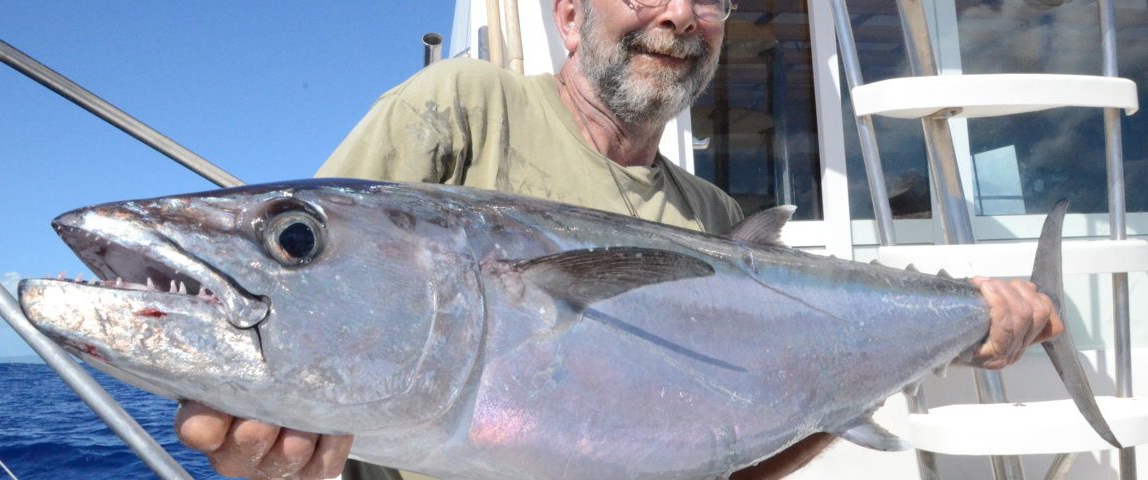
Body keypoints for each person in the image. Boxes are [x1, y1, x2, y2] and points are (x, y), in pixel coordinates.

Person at [174, 0, 1064, 479]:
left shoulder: (715, 218)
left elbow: (733, 467)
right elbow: (319, 284)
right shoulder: (461, 105)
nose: (676, 15)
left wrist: (897, 360)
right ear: (568, 17)